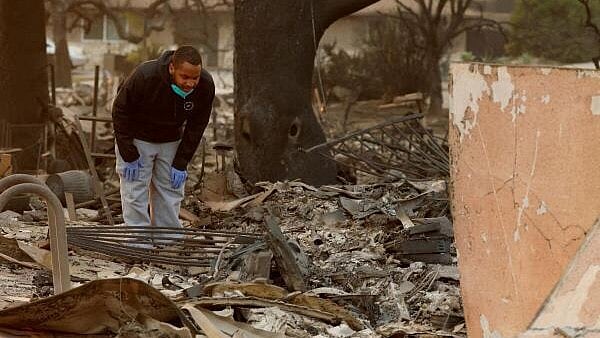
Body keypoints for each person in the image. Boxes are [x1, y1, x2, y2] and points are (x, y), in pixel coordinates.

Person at [112, 45, 214, 235]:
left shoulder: (206, 85)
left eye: (195, 78)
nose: (190, 83)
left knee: (170, 190)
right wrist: (129, 154)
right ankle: (138, 239)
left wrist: (181, 162)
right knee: (135, 191)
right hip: (138, 137)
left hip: (171, 140)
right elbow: (120, 111)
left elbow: (197, 126)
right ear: (172, 68)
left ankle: (167, 238)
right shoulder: (145, 76)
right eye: (185, 77)